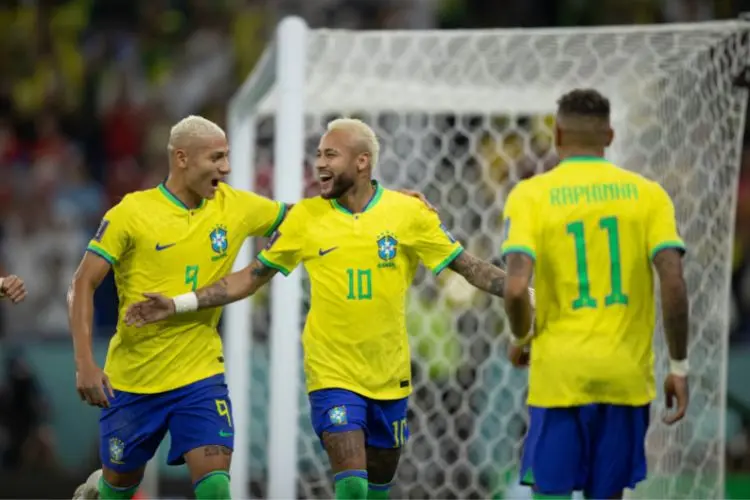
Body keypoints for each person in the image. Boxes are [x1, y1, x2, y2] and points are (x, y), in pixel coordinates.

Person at [124, 118, 534, 499]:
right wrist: (180, 303)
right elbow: (249, 276)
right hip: (332, 375)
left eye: (329, 155)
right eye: (318, 154)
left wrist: (523, 291)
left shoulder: (408, 214)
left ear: (362, 162)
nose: (318, 163)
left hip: (389, 375)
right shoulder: (306, 217)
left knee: (376, 488)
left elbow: (470, 268)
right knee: (352, 486)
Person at [68, 115, 435, 500]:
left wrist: (386, 203)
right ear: (181, 158)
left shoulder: (235, 206)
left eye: (227, 157)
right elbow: (82, 283)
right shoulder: (132, 213)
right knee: (119, 487)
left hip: (199, 376)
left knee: (214, 488)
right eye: (216, 158)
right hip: (133, 378)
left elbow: (311, 215)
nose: (226, 168)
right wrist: (85, 363)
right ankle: (102, 489)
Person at [502, 88, 689, 499]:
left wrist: (520, 339)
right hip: (625, 378)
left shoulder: (531, 195)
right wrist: (678, 364)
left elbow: (515, 288)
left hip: (559, 377)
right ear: (610, 136)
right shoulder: (649, 195)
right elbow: (673, 284)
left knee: (550, 492)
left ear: (558, 136)